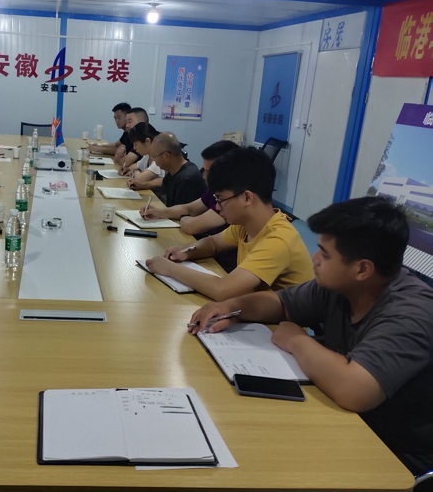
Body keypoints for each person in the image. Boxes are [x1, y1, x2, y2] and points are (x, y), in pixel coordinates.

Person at [188, 196, 433, 476]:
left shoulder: (412, 312)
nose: (315, 259)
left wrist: (297, 340)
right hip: (346, 419)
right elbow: (280, 303)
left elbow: (355, 391)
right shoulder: (340, 284)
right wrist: (232, 307)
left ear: (363, 269)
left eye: (325, 254)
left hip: (396, 453)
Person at [146, 147, 313, 301]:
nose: (218, 207)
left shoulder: (278, 240)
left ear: (247, 198)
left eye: (220, 199)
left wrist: (170, 269)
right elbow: (213, 243)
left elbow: (222, 289)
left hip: (282, 322)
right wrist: (186, 252)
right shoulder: (245, 225)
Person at [143, 139, 239, 238]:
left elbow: (191, 226)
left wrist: (182, 217)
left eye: (210, 172)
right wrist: (159, 212)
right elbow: (189, 208)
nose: (204, 177)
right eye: (204, 171)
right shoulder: (214, 190)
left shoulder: (230, 200)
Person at [148, 132, 205, 207]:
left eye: (154, 156)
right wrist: (143, 185)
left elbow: (181, 212)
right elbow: (164, 183)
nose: (154, 161)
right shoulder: (174, 171)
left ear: (166, 155)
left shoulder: (187, 179)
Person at [124, 122, 164, 191]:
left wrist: (136, 172)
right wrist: (135, 171)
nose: (134, 148)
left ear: (147, 141)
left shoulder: (159, 159)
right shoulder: (147, 156)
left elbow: (138, 181)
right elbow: (132, 167)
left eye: (136, 144)